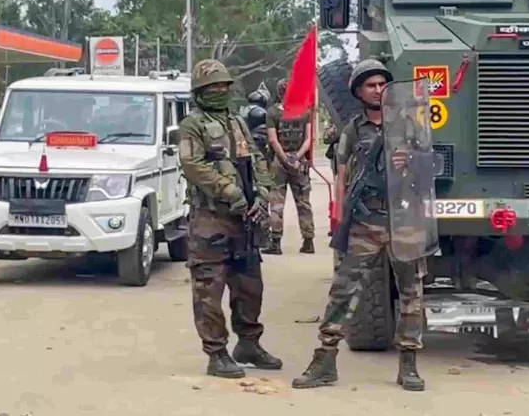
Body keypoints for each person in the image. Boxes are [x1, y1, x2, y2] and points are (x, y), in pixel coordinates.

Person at [291, 59, 427, 392]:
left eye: (383, 84)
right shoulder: (352, 130)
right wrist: (340, 220)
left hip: (403, 220)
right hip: (365, 220)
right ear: (358, 92)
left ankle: (408, 365)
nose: (378, 90)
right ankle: (324, 361)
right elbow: (341, 176)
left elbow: (428, 171)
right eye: (371, 85)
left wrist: (409, 163)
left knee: (411, 294)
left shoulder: (408, 126)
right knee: (343, 291)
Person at [179, 59, 282, 378]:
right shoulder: (192, 126)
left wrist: (264, 193)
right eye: (212, 87)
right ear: (199, 92)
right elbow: (193, 166)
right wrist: (230, 193)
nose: (219, 91)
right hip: (211, 220)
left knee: (250, 284)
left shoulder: (237, 122)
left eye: (224, 86)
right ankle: (217, 353)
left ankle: (248, 343)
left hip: (245, 220)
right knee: (210, 288)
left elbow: (256, 160)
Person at [265, 78, 315, 255]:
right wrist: (297, 157)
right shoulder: (305, 112)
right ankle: (308, 241)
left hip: (279, 163)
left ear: (279, 93)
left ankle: (275, 243)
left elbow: (273, 140)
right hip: (299, 162)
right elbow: (309, 140)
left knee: (277, 203)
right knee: (303, 202)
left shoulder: (272, 113)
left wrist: (285, 159)